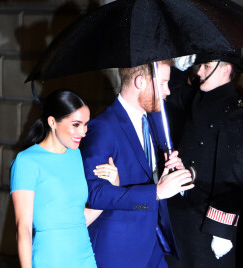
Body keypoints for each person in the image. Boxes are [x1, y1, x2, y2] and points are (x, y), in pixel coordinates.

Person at [81, 61, 194, 268]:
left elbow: (145, 173)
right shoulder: (102, 128)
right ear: (140, 82)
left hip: (152, 244)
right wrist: (156, 192)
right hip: (118, 250)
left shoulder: (152, 121)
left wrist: (169, 172)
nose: (167, 91)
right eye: (162, 84)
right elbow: (96, 194)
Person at [10, 89, 119, 268]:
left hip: (84, 257)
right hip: (50, 258)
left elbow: (76, 218)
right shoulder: (26, 161)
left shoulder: (75, 156)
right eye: (76, 125)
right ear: (53, 122)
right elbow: (24, 228)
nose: (83, 132)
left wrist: (113, 185)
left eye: (86, 124)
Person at [166, 50, 243, 268]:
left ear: (226, 69)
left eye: (206, 66)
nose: (200, 71)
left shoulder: (235, 112)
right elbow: (174, 93)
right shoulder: (199, 99)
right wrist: (178, 66)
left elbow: (233, 176)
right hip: (180, 215)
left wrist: (221, 229)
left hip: (206, 223)